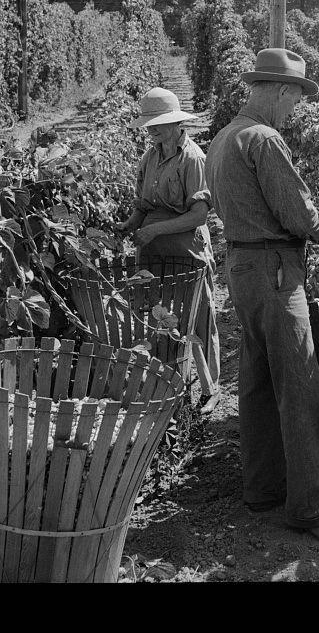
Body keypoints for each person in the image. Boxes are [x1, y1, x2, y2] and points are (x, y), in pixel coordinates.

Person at [204, 48, 319, 544]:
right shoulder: (264, 139)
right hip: (275, 273)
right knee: (300, 387)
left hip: (241, 269)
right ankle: (312, 509)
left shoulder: (222, 138)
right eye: (294, 99)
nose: (294, 110)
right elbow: (301, 218)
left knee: (254, 381)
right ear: (277, 91)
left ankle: (263, 489)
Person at [122, 87, 221, 414]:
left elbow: (198, 215)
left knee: (196, 314)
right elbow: (143, 205)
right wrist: (129, 224)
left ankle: (209, 389)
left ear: (177, 124)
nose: (152, 129)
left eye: (159, 123)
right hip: (152, 251)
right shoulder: (149, 157)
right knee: (157, 313)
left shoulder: (192, 157)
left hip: (185, 248)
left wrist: (154, 229)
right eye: (149, 123)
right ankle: (167, 383)